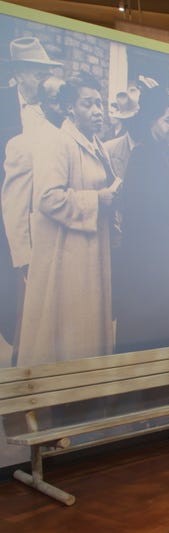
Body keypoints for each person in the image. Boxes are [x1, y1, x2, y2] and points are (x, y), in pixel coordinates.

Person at [15, 72, 121, 367]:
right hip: (67, 259)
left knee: (88, 327)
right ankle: (62, 401)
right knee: (67, 330)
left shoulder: (96, 143)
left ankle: (88, 397)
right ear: (70, 108)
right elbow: (48, 197)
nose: (98, 111)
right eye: (88, 104)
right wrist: (98, 199)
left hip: (92, 251)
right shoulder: (59, 142)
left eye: (99, 104)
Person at [114, 82, 169, 353]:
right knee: (152, 336)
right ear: (153, 120)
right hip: (152, 271)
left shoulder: (164, 153)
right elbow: (142, 216)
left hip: (166, 268)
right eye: (168, 120)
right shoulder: (143, 157)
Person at [0, 37, 61, 357]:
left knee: (33, 311)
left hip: (39, 219)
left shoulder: (46, 111)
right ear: (19, 72)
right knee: (14, 300)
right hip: (9, 215)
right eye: (36, 72)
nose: (41, 78)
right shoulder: (3, 104)